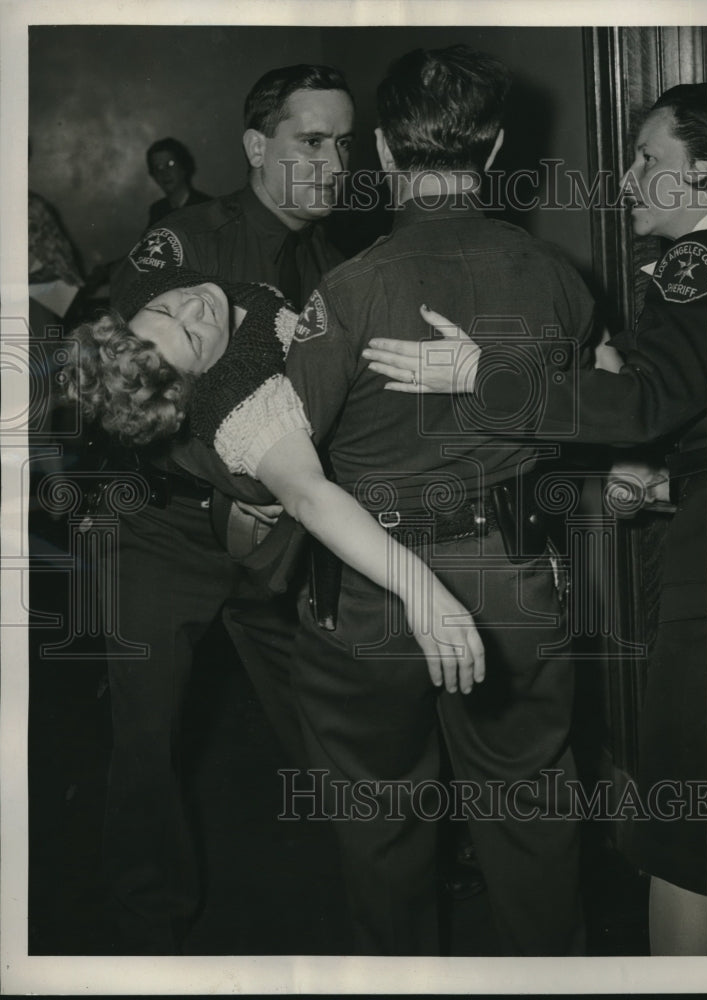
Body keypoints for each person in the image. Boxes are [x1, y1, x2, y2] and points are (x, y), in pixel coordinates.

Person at [363, 83, 707, 956]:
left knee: (689, 834)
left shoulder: (698, 262)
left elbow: (650, 400)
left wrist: (480, 376)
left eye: (648, 160)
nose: (625, 177)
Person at [282, 45, 596, 956]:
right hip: (510, 578)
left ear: (382, 150)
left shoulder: (347, 289)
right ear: (494, 149)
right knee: (531, 813)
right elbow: (582, 409)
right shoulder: (555, 279)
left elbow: (283, 455)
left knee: (381, 823)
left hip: (372, 588)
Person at [101, 63, 355, 954]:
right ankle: (149, 927)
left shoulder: (339, 260)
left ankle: (380, 883)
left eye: (344, 142)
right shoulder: (186, 242)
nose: (334, 161)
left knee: (330, 717)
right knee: (145, 735)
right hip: (164, 529)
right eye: (310, 141)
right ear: (257, 145)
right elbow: (120, 391)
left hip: (280, 538)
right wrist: (234, 486)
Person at [63, 268, 484, 691]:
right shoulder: (238, 399)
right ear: (197, 384)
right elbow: (310, 496)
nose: (194, 305)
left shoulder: (152, 297)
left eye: (165, 308)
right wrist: (419, 588)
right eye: (193, 338)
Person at [145, 137, 212, 227]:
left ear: (183, 166)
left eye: (170, 164)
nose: (164, 173)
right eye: (158, 168)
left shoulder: (207, 207)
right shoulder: (157, 211)